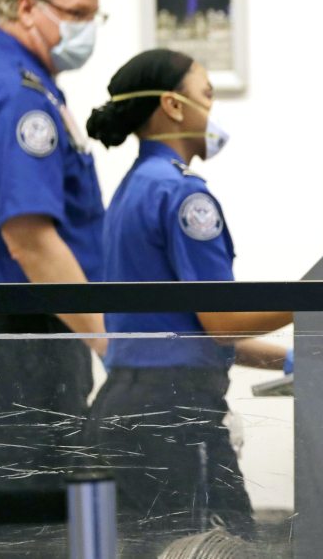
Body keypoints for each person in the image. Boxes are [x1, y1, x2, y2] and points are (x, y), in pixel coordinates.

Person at [81, 49, 294, 548]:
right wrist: (319, 298)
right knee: (224, 550)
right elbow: (223, 323)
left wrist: (290, 360)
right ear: (174, 107)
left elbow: (183, 332)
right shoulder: (183, 197)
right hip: (174, 418)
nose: (212, 112)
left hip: (125, 408)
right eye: (207, 96)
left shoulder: (133, 190)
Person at [0, 0, 107, 504]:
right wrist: (111, 343)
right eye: (76, 15)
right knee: (32, 519)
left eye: (93, 15)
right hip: (22, 346)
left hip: (28, 337)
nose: (87, 28)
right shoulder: (18, 94)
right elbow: (31, 241)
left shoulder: (17, 76)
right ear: (26, 7)